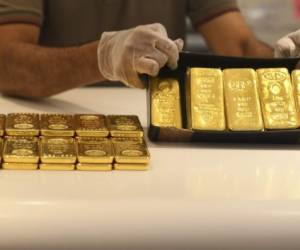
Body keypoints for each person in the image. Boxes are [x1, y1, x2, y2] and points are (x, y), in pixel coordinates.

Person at [0, 0, 289, 98]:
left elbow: (238, 45)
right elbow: (7, 64)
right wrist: (104, 56)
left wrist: (285, 65)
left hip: (158, 127)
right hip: (55, 122)